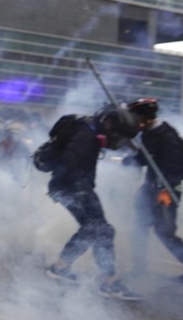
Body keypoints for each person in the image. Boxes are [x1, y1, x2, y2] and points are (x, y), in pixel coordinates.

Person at [44, 107, 142, 300]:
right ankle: (102, 280)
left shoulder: (90, 130)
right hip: (70, 188)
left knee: (100, 228)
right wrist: (82, 188)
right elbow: (70, 161)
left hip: (69, 187)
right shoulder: (86, 134)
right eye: (120, 136)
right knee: (97, 227)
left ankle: (68, 269)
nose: (120, 141)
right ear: (109, 124)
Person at [125, 98, 183, 284]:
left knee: (165, 232)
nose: (133, 120)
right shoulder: (148, 133)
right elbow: (145, 159)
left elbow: (181, 167)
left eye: (135, 116)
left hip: (166, 191)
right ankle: (139, 269)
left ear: (145, 116)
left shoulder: (167, 137)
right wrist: (130, 158)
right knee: (139, 228)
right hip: (149, 188)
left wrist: (166, 188)